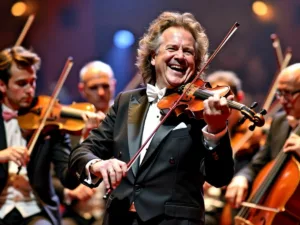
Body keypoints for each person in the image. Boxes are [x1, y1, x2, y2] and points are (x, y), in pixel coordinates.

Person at [69, 11, 235, 225]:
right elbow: (81, 153)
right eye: (172, 48)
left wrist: (216, 130)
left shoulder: (202, 111)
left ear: (197, 62)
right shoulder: (125, 102)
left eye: (188, 51)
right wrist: (98, 165)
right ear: (153, 56)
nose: (180, 56)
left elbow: (220, 177)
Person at [0, 46, 80, 225]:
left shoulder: (48, 122)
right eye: (22, 83)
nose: (30, 90)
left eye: (33, 82)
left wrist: (85, 148)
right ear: (2, 85)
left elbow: (68, 178)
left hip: (35, 212)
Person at [225, 63, 300, 213]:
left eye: (288, 94)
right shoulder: (279, 122)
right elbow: (258, 164)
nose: (282, 101)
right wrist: (242, 178)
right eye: (280, 93)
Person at [204, 70, 264, 225]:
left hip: (228, 209)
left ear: (240, 98)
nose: (220, 108)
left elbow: (258, 168)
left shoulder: (253, 137)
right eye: (213, 102)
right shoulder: (203, 132)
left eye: (226, 101)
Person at [60, 61, 116, 225]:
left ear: (114, 85)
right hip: (74, 214)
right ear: (81, 89)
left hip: (110, 212)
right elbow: (54, 173)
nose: (101, 92)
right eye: (93, 87)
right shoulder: (67, 126)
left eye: (105, 86)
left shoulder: (125, 123)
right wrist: (69, 190)